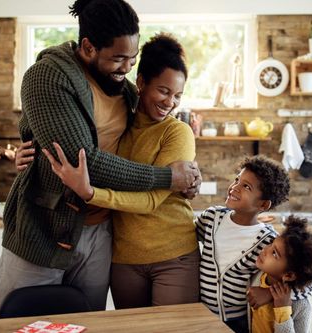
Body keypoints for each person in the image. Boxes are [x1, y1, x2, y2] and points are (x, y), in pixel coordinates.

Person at [0, 0, 200, 319]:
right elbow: (85, 160)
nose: (126, 68)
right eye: (118, 58)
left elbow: (151, 130)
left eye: (132, 59)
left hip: (99, 233)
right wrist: (168, 177)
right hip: (43, 229)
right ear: (88, 47)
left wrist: (189, 178)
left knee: (87, 323)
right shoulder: (48, 76)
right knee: (20, 322)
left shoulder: (126, 91)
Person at [35, 33, 200, 308]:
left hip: (174, 255)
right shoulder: (120, 124)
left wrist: (90, 193)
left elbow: (150, 201)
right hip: (124, 259)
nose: (170, 102)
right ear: (141, 82)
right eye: (163, 91)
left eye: (178, 96)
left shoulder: (177, 132)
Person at [194, 156, 312, 333]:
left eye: (246, 186)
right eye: (237, 179)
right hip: (201, 317)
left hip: (240, 323)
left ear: (263, 204)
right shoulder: (211, 218)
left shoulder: (268, 241)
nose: (235, 187)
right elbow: (186, 238)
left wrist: (269, 294)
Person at [249, 215, 312, 333]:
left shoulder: (302, 308)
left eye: (274, 254)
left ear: (288, 275)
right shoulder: (259, 277)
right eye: (271, 244)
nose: (265, 250)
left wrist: (282, 309)